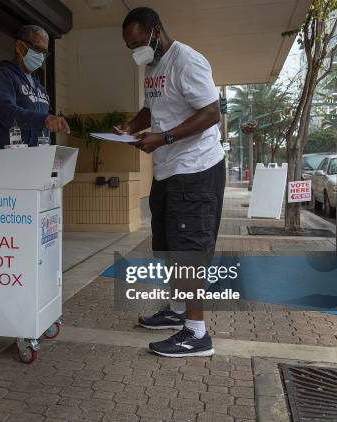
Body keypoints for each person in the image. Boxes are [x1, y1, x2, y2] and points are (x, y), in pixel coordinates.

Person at [118, 7, 225, 357]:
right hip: (167, 170)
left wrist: (163, 139)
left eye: (137, 43)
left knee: (188, 249)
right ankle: (177, 311)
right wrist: (131, 128)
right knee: (167, 244)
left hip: (195, 170)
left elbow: (211, 112)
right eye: (129, 46)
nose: (135, 51)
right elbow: (153, 108)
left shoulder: (186, 60)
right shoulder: (155, 67)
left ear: (155, 32)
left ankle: (197, 333)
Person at [0, 25, 70, 150]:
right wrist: (44, 119)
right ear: (19, 46)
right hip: (7, 160)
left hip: (36, 159)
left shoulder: (39, 87)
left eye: (44, 52)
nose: (41, 56)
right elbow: (5, 110)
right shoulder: (3, 75)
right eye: (37, 49)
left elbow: (43, 122)